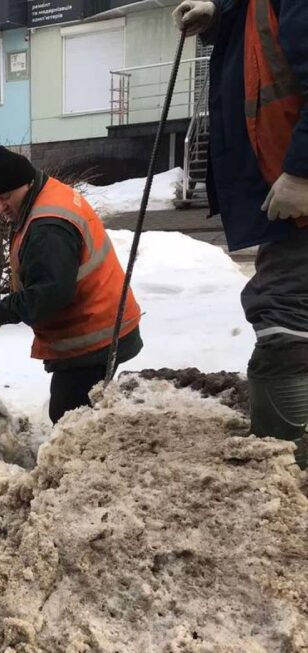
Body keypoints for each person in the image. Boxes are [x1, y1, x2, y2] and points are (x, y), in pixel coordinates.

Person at [173, 0, 308, 467]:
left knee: (282, 321)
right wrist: (223, 15)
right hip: (286, 201)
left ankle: (287, 471)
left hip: (299, 199)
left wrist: (302, 173)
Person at [0, 146, 144, 423]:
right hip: (105, 322)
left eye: (5, 197)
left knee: (68, 419)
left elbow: (50, 294)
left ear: (26, 185)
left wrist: (0, 312)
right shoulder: (47, 194)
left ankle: (87, 465)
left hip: (95, 335)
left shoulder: (47, 226)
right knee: (80, 415)